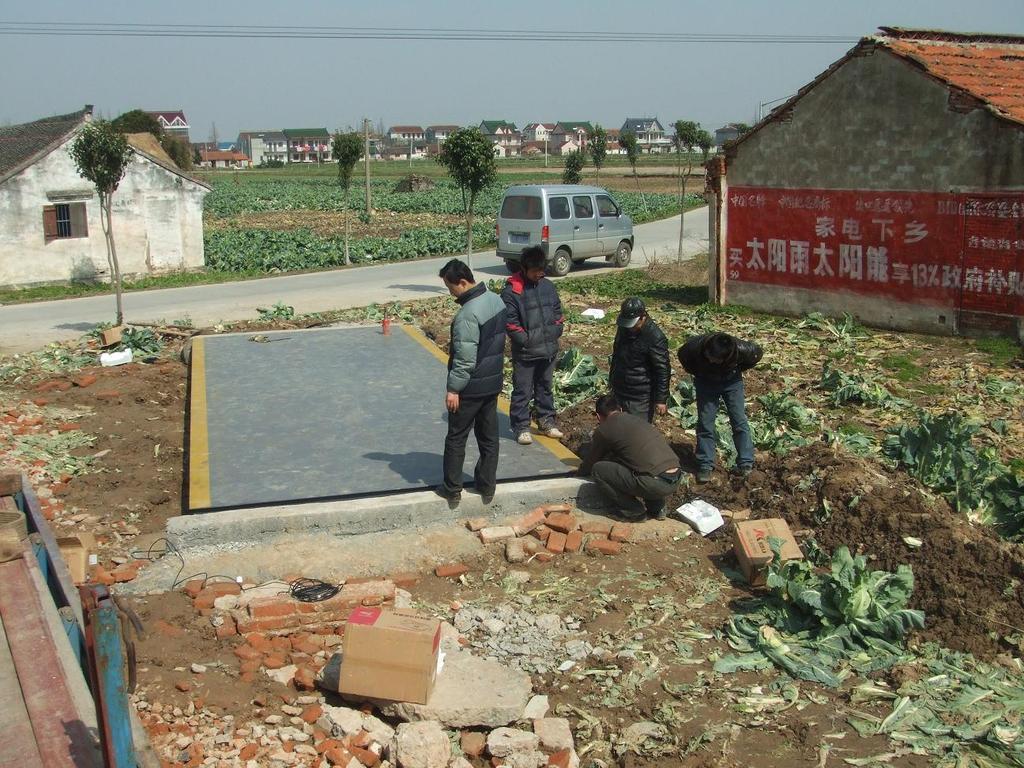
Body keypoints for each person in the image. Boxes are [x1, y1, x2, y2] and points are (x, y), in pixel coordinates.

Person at [436, 258, 507, 504]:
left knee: (456, 437)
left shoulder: (468, 314)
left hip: (471, 387)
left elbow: (465, 360)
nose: (449, 292)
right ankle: (487, 486)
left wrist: (454, 389)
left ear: (463, 283)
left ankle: (452, 487)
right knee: (489, 438)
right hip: (492, 384)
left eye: (450, 287)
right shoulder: (496, 301)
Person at [577, 393, 682, 521]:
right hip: (676, 477)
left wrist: (579, 472)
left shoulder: (604, 429)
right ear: (620, 409)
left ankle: (633, 510)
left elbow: (591, 462)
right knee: (641, 464)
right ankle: (657, 509)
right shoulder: (637, 420)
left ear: (599, 417)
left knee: (598, 469)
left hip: (654, 484)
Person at [677, 331, 763, 482]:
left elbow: (756, 355)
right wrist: (699, 372)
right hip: (706, 383)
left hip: (732, 383)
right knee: (705, 422)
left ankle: (745, 463)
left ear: (726, 357)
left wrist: (737, 369)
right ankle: (705, 464)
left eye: (715, 359)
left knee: (739, 420)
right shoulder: (695, 347)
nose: (711, 360)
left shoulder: (742, 349)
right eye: (709, 356)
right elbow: (682, 356)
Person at [501, 245, 565, 446]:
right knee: (523, 390)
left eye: (542, 269)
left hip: (548, 349)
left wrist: (555, 331)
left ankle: (547, 420)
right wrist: (526, 341)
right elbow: (511, 324)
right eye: (536, 270)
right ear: (524, 268)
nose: (540, 273)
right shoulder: (512, 291)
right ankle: (521, 426)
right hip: (526, 353)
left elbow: (557, 313)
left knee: (545, 387)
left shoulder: (547, 286)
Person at [609, 297, 671, 422]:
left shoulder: (655, 337)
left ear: (643, 317)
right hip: (620, 388)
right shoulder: (624, 327)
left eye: (633, 323)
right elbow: (617, 355)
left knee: (636, 431)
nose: (629, 327)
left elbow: (662, 370)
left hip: (640, 396)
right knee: (617, 427)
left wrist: (660, 399)